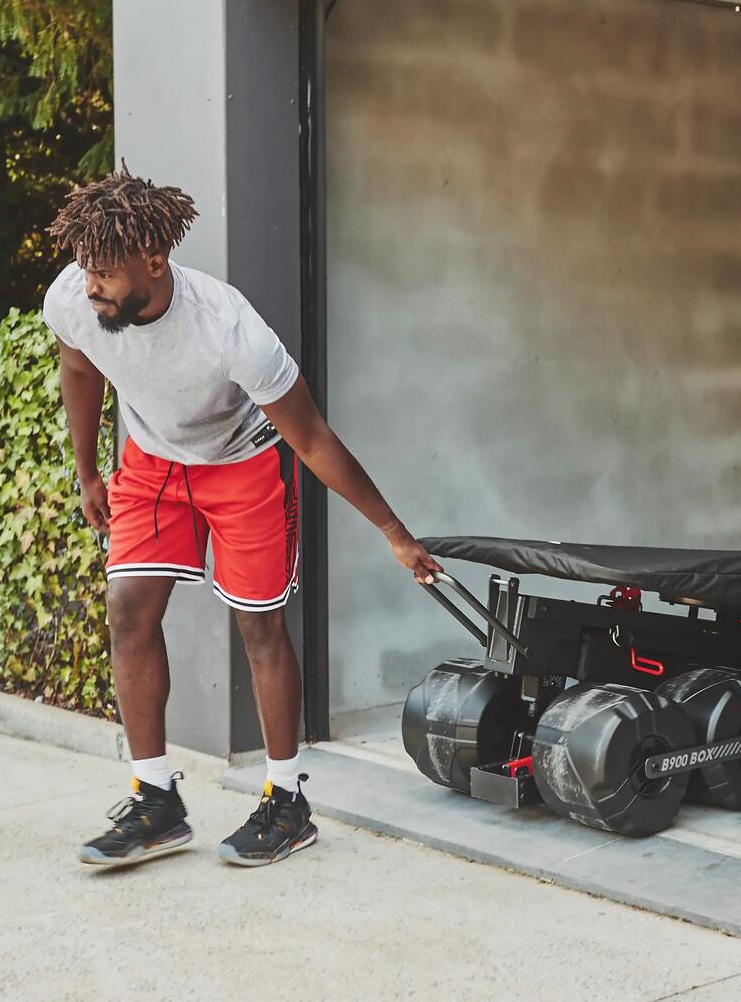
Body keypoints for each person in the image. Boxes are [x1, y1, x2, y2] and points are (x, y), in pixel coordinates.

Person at [41, 167, 441, 868]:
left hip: (243, 464)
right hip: (153, 465)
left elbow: (312, 439)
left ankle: (286, 800)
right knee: (127, 609)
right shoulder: (75, 300)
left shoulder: (231, 330)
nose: (90, 286)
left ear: (155, 263)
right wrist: (87, 472)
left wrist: (393, 532)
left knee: (259, 627)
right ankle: (156, 801)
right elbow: (80, 370)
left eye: (104, 273)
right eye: (84, 270)